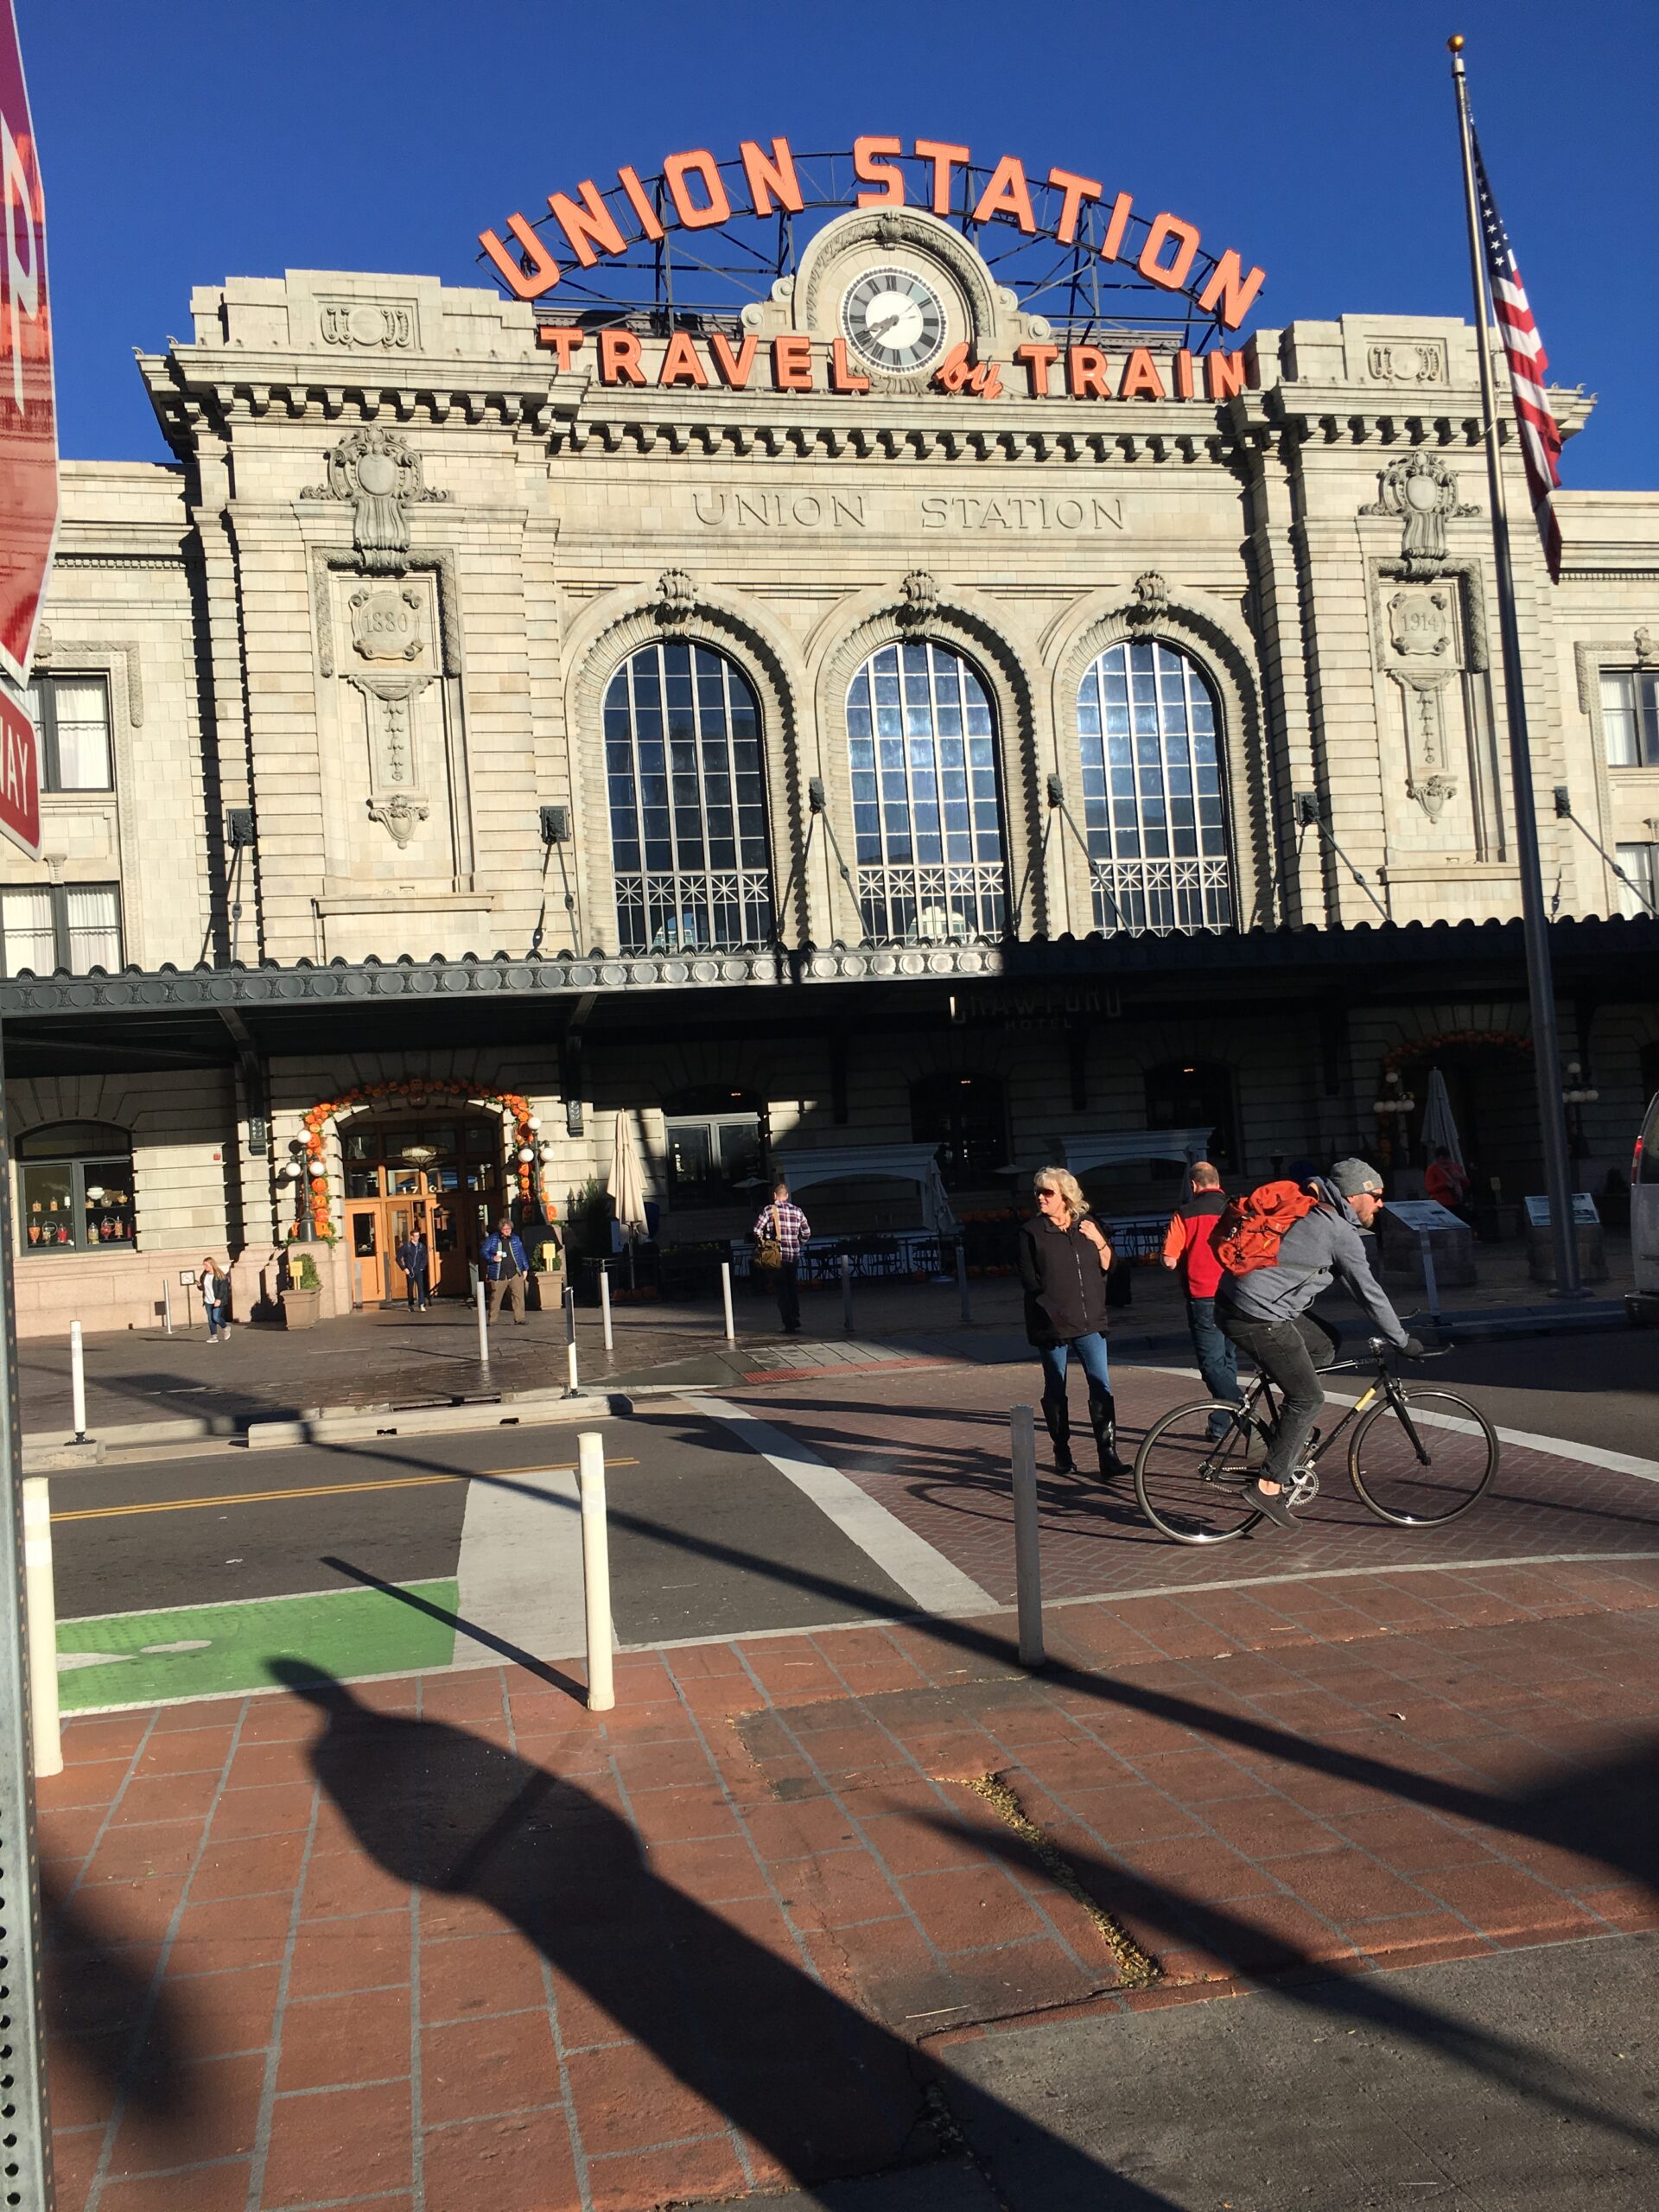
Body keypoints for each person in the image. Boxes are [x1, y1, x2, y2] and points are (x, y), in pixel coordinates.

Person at [1217, 1158, 1423, 1529]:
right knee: (1309, 1398)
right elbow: (1368, 1292)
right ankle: (1268, 1487)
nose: (1382, 1203)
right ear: (1355, 1195)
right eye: (1377, 1195)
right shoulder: (1338, 1231)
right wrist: (1401, 1340)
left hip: (1240, 1301)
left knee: (1325, 1344)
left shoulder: (1312, 1207)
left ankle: (1287, 1433)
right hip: (1257, 1315)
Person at [1018, 1166, 1128, 1479]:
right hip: (1052, 1323)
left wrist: (1099, 1240)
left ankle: (1108, 1454)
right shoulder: (1031, 1232)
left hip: (1090, 1320)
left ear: (1065, 1196)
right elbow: (1029, 1281)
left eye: (1047, 1192)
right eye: (1038, 1192)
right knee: (1056, 1386)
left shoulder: (1088, 1224)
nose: (1040, 1197)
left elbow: (1111, 1265)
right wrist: (1052, 1312)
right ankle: (1062, 1450)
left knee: (1101, 1385)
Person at [1161, 1161, 1243, 1439]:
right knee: (1228, 1360)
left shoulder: (1185, 1213)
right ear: (1218, 1182)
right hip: (1237, 1292)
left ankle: (1247, 1418)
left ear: (1193, 1185)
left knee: (1211, 1365)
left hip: (1204, 1295)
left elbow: (1169, 1260)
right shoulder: (1236, 1209)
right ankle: (1220, 1425)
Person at [753, 1178, 811, 1334]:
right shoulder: (798, 1211)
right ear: (787, 1196)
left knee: (781, 1290)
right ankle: (796, 1317)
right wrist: (799, 1243)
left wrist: (764, 1241)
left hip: (777, 1256)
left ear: (774, 1195)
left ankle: (788, 1323)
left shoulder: (769, 1210)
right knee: (792, 1288)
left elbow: (756, 1230)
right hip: (793, 1255)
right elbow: (807, 1232)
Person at [480, 1214, 530, 1325]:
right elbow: (484, 1251)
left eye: (509, 1229)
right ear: (500, 1229)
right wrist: (492, 1258)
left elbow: (522, 1254)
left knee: (518, 1296)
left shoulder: (516, 1239)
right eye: (505, 1229)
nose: (507, 1231)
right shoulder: (493, 1239)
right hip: (499, 1273)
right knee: (496, 1297)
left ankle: (520, 1318)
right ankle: (492, 1320)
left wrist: (525, 1268)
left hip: (515, 1272)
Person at [1425, 1146, 1472, 1221]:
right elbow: (1429, 1189)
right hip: (1441, 1204)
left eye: (1446, 1159)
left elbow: (1467, 1185)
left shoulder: (1455, 1167)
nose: (1445, 1162)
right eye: (1442, 1159)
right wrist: (1445, 1184)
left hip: (1457, 1202)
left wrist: (1461, 1177)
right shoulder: (1432, 1169)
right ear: (1437, 1159)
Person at [397, 1224, 431, 1312]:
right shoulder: (406, 1246)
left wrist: (422, 1267)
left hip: (418, 1270)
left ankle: (421, 1304)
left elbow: (425, 1258)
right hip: (409, 1270)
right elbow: (398, 1258)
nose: (417, 1238)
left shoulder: (421, 1246)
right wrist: (404, 1268)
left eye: (418, 1236)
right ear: (411, 1237)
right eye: (416, 1236)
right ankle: (410, 1304)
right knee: (410, 1288)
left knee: (421, 1287)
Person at [198, 1255, 231, 1344]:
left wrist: (219, 1299)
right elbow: (203, 1288)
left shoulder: (220, 1276)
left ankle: (225, 1327)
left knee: (216, 1317)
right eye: (204, 1265)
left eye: (206, 1265)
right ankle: (214, 1336)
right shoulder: (204, 1275)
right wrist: (199, 1286)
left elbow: (223, 1289)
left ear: (212, 1265)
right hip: (208, 1300)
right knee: (210, 1319)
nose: (205, 1267)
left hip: (217, 1300)